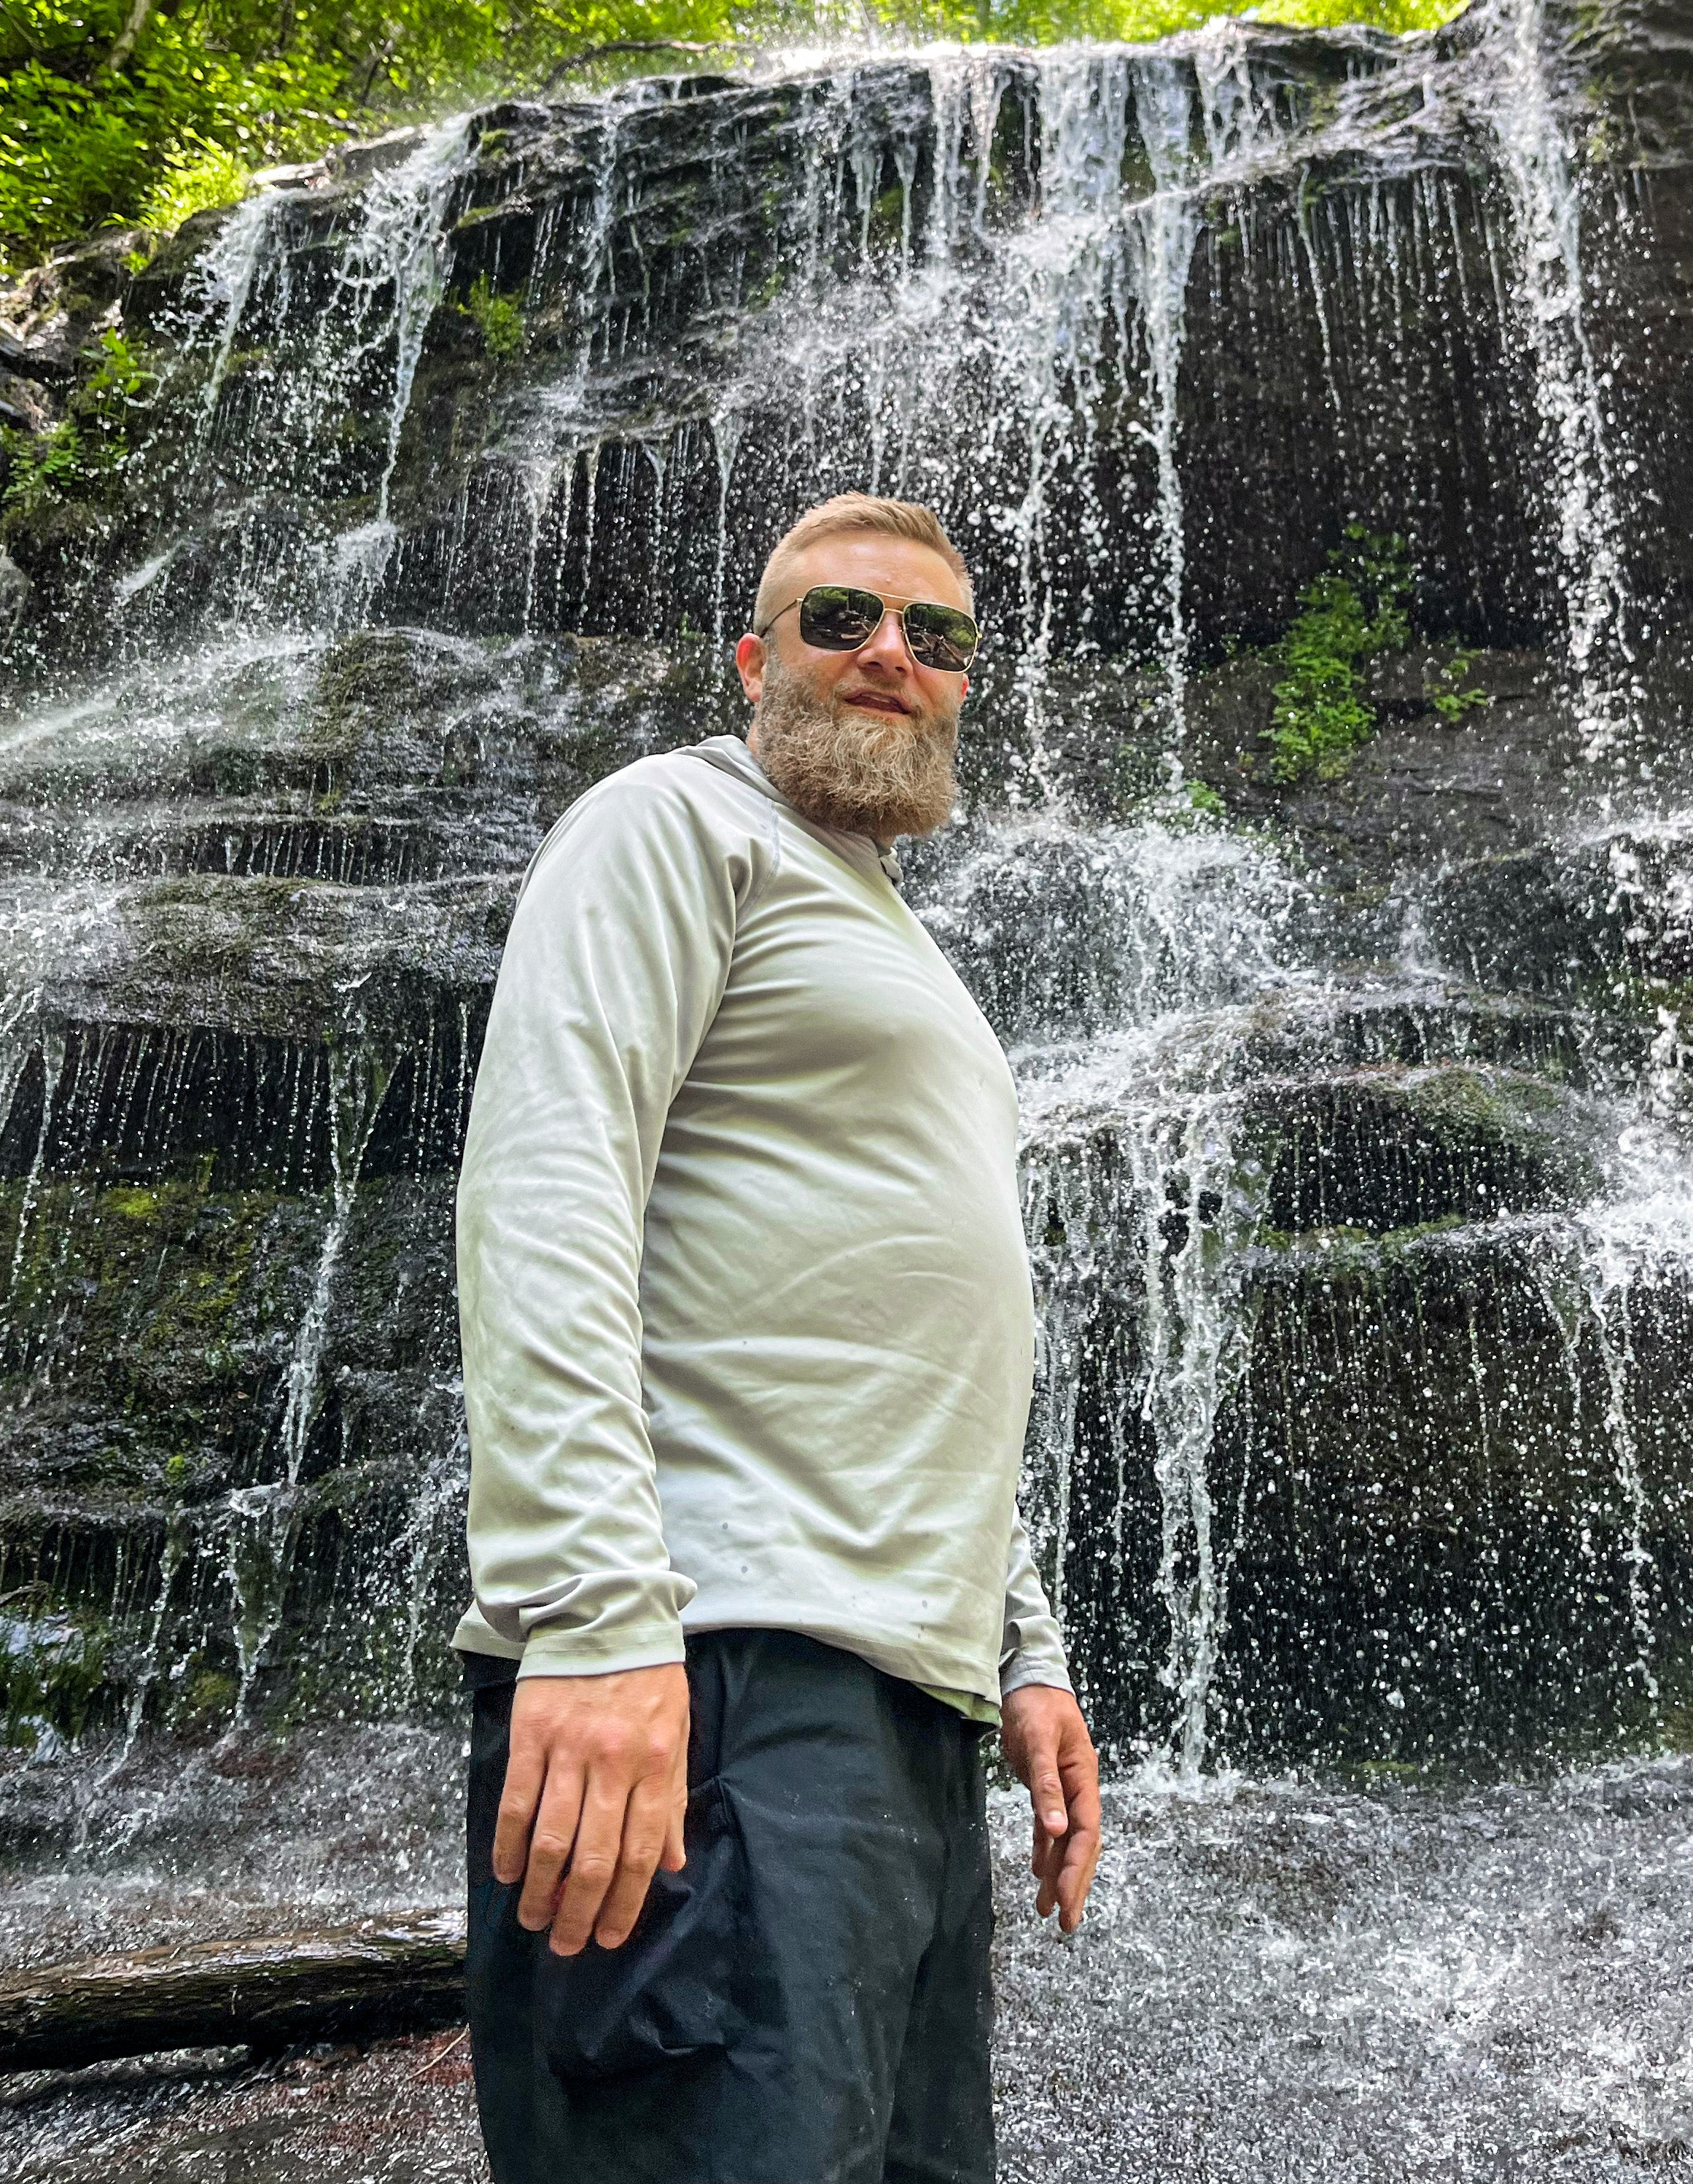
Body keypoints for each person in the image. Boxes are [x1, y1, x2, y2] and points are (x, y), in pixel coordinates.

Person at [454, 490, 1102, 2183]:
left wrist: (1022, 1651)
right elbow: (547, 1186)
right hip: (712, 1665)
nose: (891, 651)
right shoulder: (673, 821)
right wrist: (594, 1619)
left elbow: (903, 1331)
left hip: (898, 1709)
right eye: (842, 618)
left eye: (935, 634)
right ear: (754, 660)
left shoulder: (902, 946)